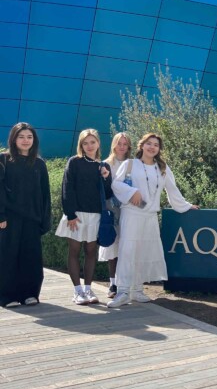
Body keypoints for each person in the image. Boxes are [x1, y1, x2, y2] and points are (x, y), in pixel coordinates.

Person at [107, 133, 198, 308]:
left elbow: (172, 190)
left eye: (156, 145)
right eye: (149, 143)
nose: (152, 147)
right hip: (132, 213)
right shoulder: (130, 164)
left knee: (143, 251)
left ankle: (137, 290)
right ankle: (123, 291)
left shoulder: (162, 168)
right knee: (128, 251)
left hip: (150, 217)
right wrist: (132, 192)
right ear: (142, 146)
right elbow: (116, 184)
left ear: (158, 149)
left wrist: (186, 206)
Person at [55, 129, 112, 305]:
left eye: (92, 142)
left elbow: (108, 194)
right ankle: (77, 292)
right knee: (74, 251)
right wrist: (70, 214)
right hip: (76, 215)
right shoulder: (74, 162)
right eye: (85, 143)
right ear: (81, 145)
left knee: (90, 252)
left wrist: (106, 178)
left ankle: (88, 289)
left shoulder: (103, 166)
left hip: (95, 215)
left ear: (98, 144)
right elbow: (67, 188)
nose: (89, 146)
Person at [0, 123, 51, 307]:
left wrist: (45, 220)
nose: (25, 140)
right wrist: (1, 216)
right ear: (14, 139)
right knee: (8, 257)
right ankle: (7, 296)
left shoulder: (39, 164)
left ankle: (30, 293)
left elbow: (45, 194)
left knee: (31, 258)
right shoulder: (4, 160)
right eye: (21, 136)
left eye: (29, 137)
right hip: (9, 219)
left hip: (32, 219)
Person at [98, 132, 132, 299]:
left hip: (129, 209)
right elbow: (103, 188)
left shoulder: (133, 164)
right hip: (112, 208)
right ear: (114, 144)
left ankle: (126, 282)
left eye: (125, 144)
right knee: (113, 244)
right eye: (119, 143)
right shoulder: (106, 164)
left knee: (127, 246)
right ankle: (113, 283)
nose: (122, 147)